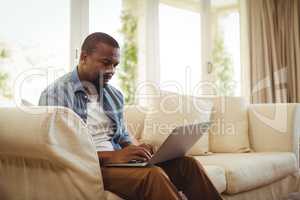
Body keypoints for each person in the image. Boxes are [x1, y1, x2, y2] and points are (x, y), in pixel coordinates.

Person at [39, 32, 223, 200]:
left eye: (115, 65)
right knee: (152, 176)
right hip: (88, 168)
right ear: (84, 57)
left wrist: (141, 150)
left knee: (187, 165)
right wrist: (113, 156)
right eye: (105, 63)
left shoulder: (113, 95)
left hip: (117, 163)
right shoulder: (57, 94)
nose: (111, 70)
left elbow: (123, 136)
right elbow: (60, 151)